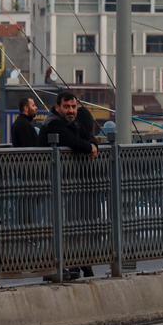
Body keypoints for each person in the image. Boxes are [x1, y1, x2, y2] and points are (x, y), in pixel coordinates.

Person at [41, 92, 102, 280]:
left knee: (71, 226)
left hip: (67, 183)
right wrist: (89, 147)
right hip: (48, 183)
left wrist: (92, 144)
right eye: (67, 107)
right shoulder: (54, 123)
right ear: (58, 107)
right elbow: (72, 141)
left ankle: (72, 263)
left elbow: (87, 137)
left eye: (73, 107)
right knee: (56, 226)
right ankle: (54, 268)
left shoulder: (71, 123)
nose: (71, 111)